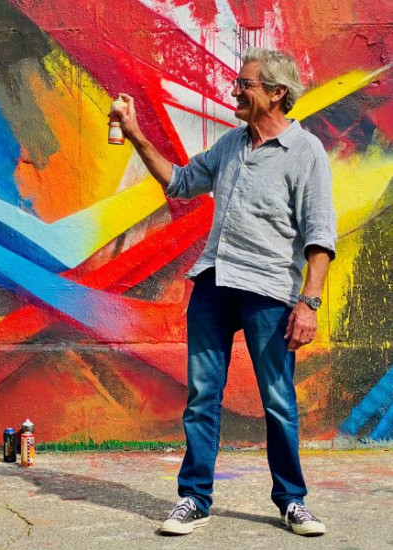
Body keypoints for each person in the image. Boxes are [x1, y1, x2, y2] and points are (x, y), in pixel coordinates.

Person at [113, 48, 336, 536]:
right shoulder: (232, 144)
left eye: (245, 84)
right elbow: (180, 182)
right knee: (201, 397)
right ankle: (194, 499)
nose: (234, 90)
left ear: (277, 93)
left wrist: (309, 303)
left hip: (269, 290)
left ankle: (292, 501)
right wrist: (134, 134)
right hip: (214, 282)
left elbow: (320, 236)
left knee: (277, 400)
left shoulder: (306, 152)